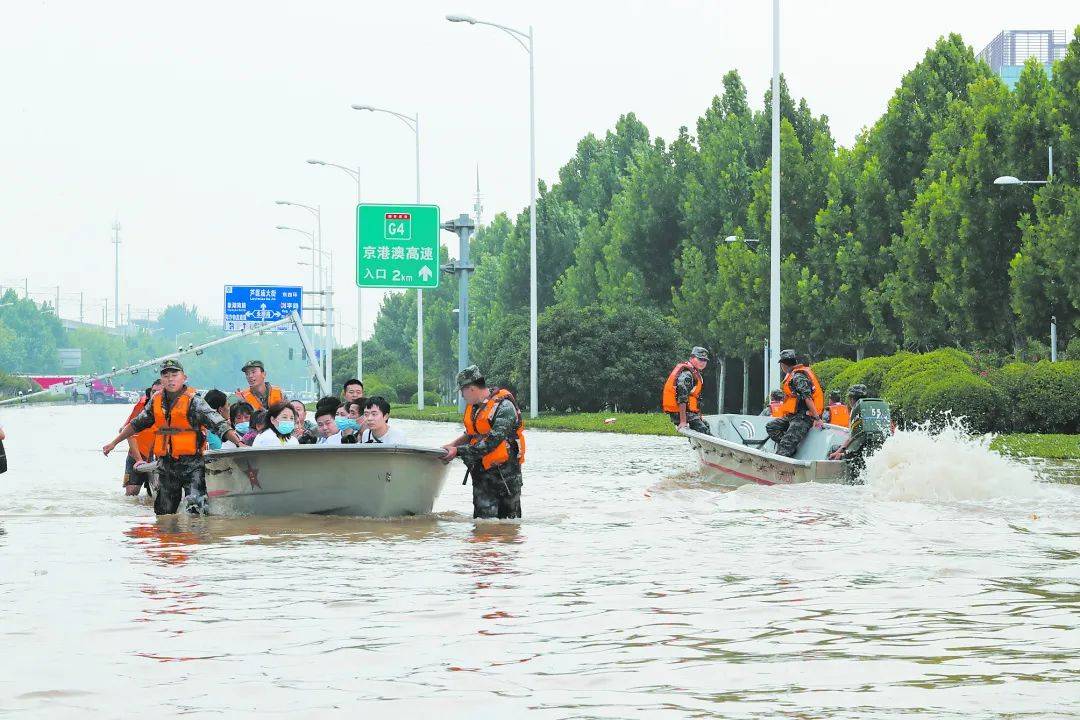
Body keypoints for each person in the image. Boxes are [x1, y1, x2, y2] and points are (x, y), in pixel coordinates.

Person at [102, 360, 241, 515]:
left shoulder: (194, 401)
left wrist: (239, 443)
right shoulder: (156, 400)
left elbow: (218, 423)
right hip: (166, 465)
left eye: (175, 375)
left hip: (192, 465)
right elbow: (136, 424)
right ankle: (169, 539)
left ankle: (196, 535)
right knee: (164, 514)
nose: (170, 379)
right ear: (161, 380)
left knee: (196, 510)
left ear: (184, 378)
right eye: (166, 375)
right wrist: (113, 443)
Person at [441, 366, 526, 520]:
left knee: (508, 530)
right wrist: (451, 446)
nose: (461, 395)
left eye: (462, 391)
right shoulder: (475, 408)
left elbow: (490, 443)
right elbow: (470, 434)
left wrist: (458, 452)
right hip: (481, 477)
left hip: (505, 480)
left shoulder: (504, 407)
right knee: (482, 529)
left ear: (472, 389)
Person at [765, 349, 825, 458]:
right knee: (771, 427)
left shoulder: (798, 376)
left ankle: (785, 451)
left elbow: (808, 398)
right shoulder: (792, 375)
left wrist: (817, 418)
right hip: (793, 416)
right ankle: (790, 448)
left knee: (784, 446)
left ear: (783, 364)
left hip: (803, 418)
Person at [122, 379, 162, 495]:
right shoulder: (141, 408)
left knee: (157, 495)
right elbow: (127, 433)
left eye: (158, 392)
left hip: (157, 456)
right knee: (132, 493)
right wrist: (139, 460)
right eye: (153, 391)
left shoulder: (172, 408)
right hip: (136, 454)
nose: (155, 395)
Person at [662, 346, 711, 435]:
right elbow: (682, 397)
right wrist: (683, 421)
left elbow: (694, 399)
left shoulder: (694, 373)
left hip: (688, 412)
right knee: (703, 429)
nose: (702, 363)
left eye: (705, 360)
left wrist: (698, 416)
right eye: (700, 359)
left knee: (706, 425)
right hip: (679, 413)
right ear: (691, 358)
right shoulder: (687, 375)